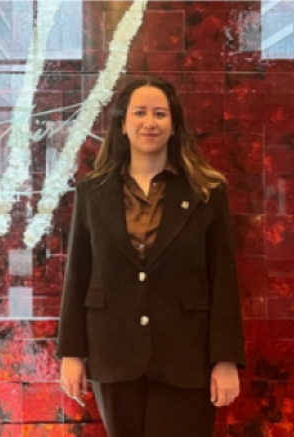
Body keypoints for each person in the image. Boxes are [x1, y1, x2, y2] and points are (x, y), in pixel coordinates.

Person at [56, 75, 246, 437]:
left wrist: (226, 359)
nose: (149, 122)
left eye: (160, 113)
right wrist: (71, 353)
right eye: (139, 112)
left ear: (174, 126)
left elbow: (223, 279)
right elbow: (78, 273)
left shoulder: (206, 191)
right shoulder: (92, 192)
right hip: (113, 352)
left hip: (186, 356)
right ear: (122, 124)